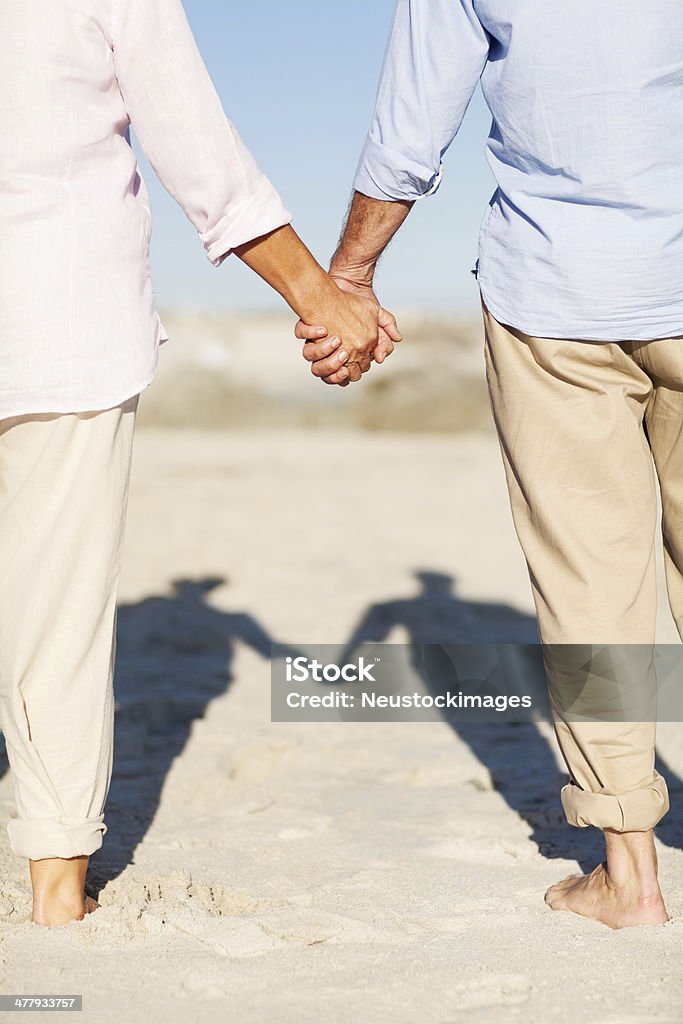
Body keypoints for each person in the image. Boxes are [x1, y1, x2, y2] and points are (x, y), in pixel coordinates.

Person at [0, 0, 402, 927]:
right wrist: (327, 296)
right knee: (54, 618)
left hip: (61, 327)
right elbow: (199, 150)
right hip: (56, 322)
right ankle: (55, 897)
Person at [298, 0, 683, 929]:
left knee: (591, 583)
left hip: (557, 289)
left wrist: (347, 277)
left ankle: (628, 878)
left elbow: (410, 126)